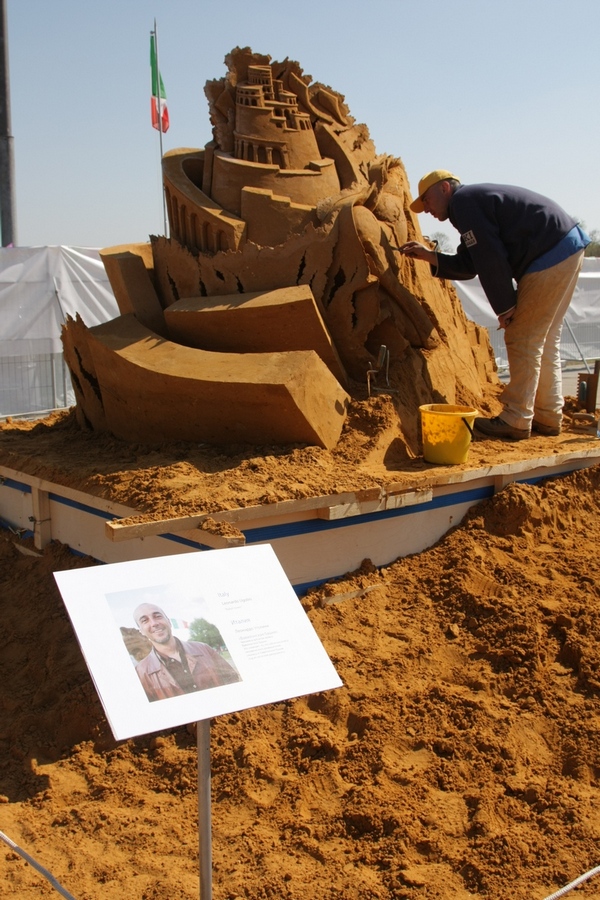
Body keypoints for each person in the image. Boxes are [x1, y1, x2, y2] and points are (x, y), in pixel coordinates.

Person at [400, 170, 590, 440]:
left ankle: (516, 418)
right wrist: (429, 256)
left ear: (444, 188)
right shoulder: (472, 203)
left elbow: (489, 256)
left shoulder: (464, 201)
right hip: (565, 247)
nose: (426, 209)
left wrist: (506, 307)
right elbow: (471, 262)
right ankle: (548, 416)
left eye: (426, 200)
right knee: (545, 339)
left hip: (547, 254)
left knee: (522, 337)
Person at [133, 602, 240, 702]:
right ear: (141, 631)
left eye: (157, 616)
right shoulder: (140, 673)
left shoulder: (204, 649)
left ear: (169, 621)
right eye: (145, 621)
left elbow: (232, 680)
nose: (154, 623)